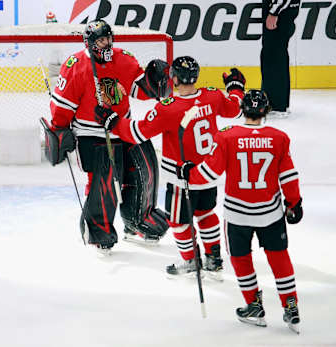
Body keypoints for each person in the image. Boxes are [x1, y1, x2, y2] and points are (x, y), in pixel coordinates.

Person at [96, 56, 246, 279]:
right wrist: (235, 87)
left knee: (178, 221)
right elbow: (236, 109)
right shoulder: (212, 96)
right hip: (209, 173)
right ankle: (213, 259)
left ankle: (189, 260)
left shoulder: (168, 108)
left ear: (174, 79)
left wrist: (112, 121)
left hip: (181, 178)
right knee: (206, 213)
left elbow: (137, 133)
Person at [177, 89, 303, 332]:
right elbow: (288, 176)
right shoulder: (279, 137)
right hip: (271, 213)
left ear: (242, 110)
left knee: (240, 259)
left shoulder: (227, 136)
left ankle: (253, 306)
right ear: (266, 111)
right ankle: (291, 306)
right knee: (279, 258)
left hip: (237, 215)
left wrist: (188, 172)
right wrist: (294, 203)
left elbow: (209, 173)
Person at [43, 19, 170, 253]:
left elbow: (138, 89)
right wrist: (59, 129)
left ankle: (138, 219)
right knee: (107, 176)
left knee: (146, 163)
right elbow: (62, 108)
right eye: (101, 40)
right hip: (92, 133)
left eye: (109, 38)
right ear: (90, 43)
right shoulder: (76, 65)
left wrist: (153, 83)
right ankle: (97, 227)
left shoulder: (123, 58)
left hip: (121, 126)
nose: (107, 43)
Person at [261, 0, 300, 118]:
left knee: (275, 56)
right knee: (271, 55)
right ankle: (274, 103)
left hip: (281, 12)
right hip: (281, 10)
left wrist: (274, 12)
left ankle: (277, 105)